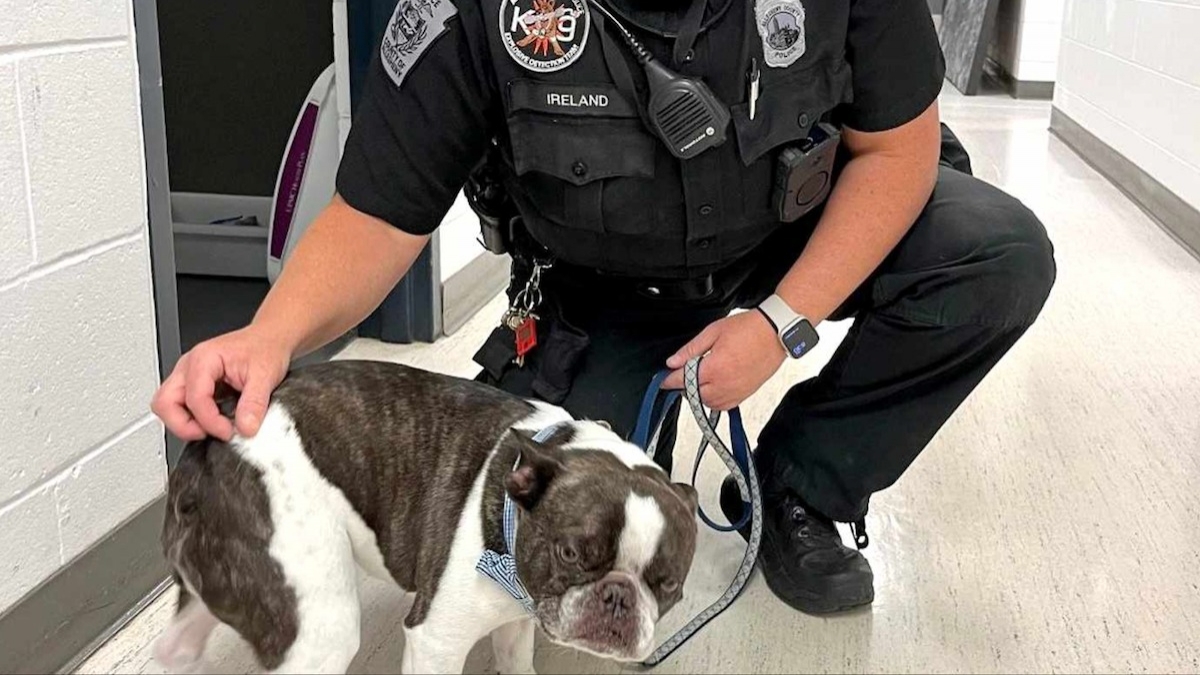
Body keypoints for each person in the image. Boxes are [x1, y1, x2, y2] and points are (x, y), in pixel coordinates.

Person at [151, 0, 1056, 616]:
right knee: (518, 557)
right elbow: (380, 213)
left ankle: (799, 486)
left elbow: (900, 152)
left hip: (795, 235)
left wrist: (781, 321)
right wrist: (268, 338)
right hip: (602, 289)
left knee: (994, 256)